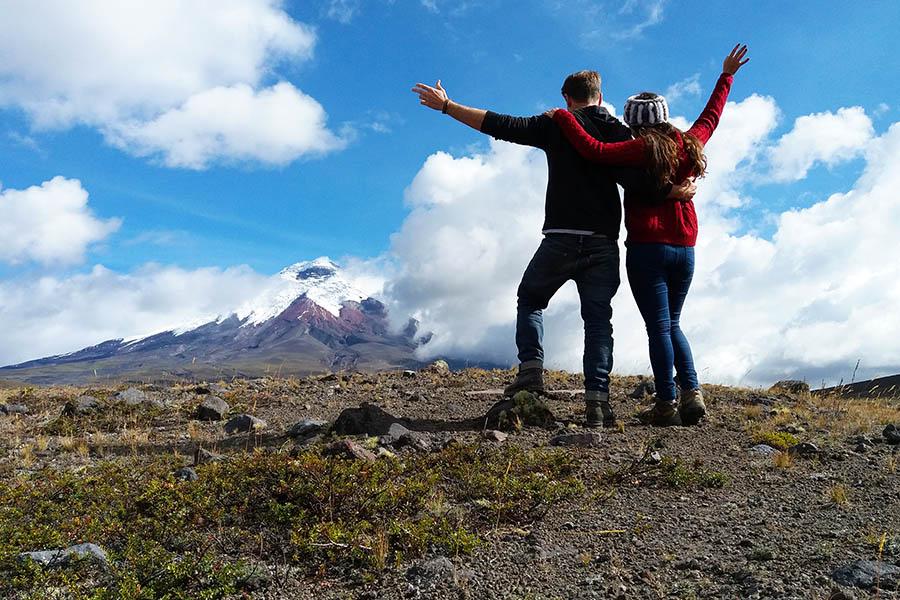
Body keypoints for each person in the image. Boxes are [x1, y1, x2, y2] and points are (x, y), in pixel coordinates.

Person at [411, 71, 695, 427]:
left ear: (566, 97)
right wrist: (673, 192)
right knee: (597, 321)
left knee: (530, 299)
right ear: (600, 95)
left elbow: (500, 124)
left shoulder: (555, 124)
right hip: (603, 242)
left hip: (560, 237)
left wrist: (448, 107)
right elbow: (641, 183)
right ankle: (598, 403)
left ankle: (531, 372)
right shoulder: (620, 133)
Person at [546, 44, 750, 426]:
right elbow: (712, 115)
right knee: (673, 323)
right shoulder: (691, 143)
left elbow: (593, 150)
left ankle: (666, 404)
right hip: (685, 249)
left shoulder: (635, 149)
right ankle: (692, 393)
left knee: (658, 327)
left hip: (647, 249)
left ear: (634, 121)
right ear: (665, 116)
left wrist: (564, 117)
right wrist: (726, 75)